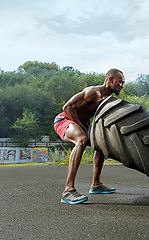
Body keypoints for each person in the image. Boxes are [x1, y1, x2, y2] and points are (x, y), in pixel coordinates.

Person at [53, 68, 125, 204]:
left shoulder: (108, 99)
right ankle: (68, 191)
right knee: (81, 139)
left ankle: (96, 184)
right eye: (119, 82)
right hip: (64, 120)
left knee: (100, 142)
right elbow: (67, 107)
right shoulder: (94, 92)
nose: (122, 86)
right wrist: (82, 127)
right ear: (110, 80)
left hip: (79, 123)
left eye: (123, 83)